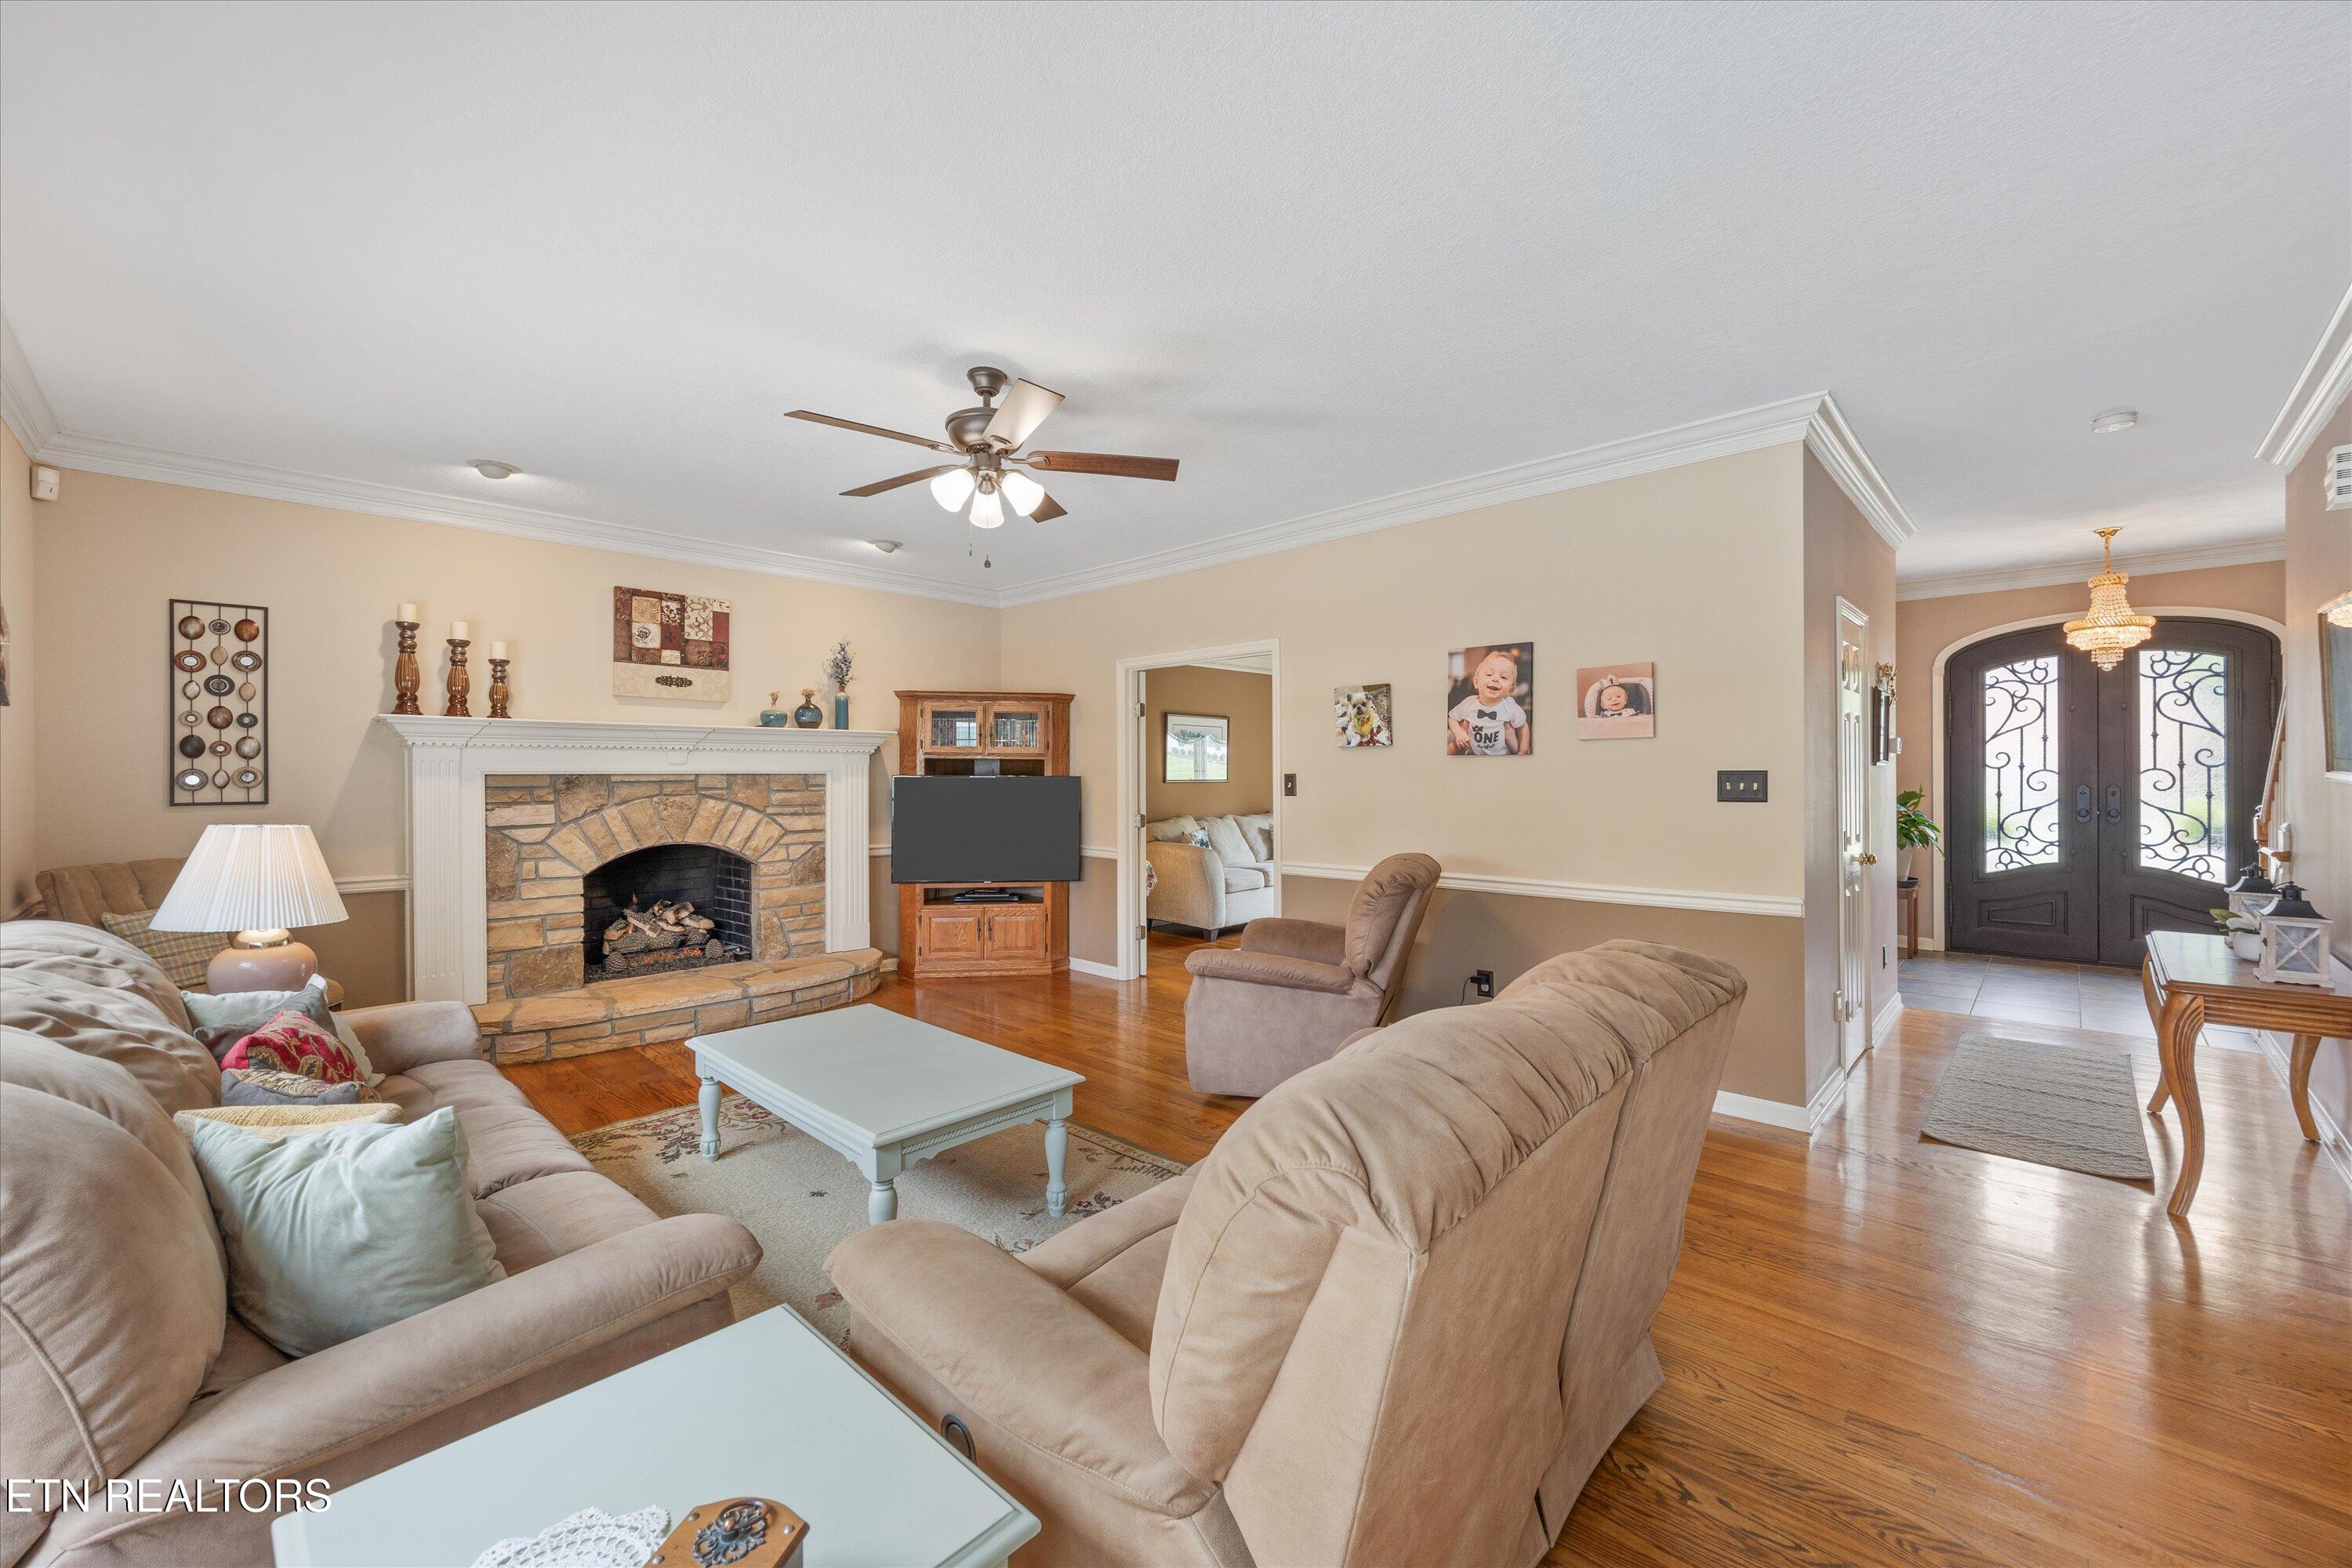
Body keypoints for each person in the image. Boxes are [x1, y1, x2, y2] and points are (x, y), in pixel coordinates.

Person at [1447, 648, 1530, 755]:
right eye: (1489, 674)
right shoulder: (1468, 703)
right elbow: (1452, 718)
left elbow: (1523, 726)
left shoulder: (1510, 706)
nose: (1495, 679)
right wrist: (1458, 733)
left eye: (1503, 677)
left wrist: (1523, 750)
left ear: (1511, 690)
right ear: (1476, 682)